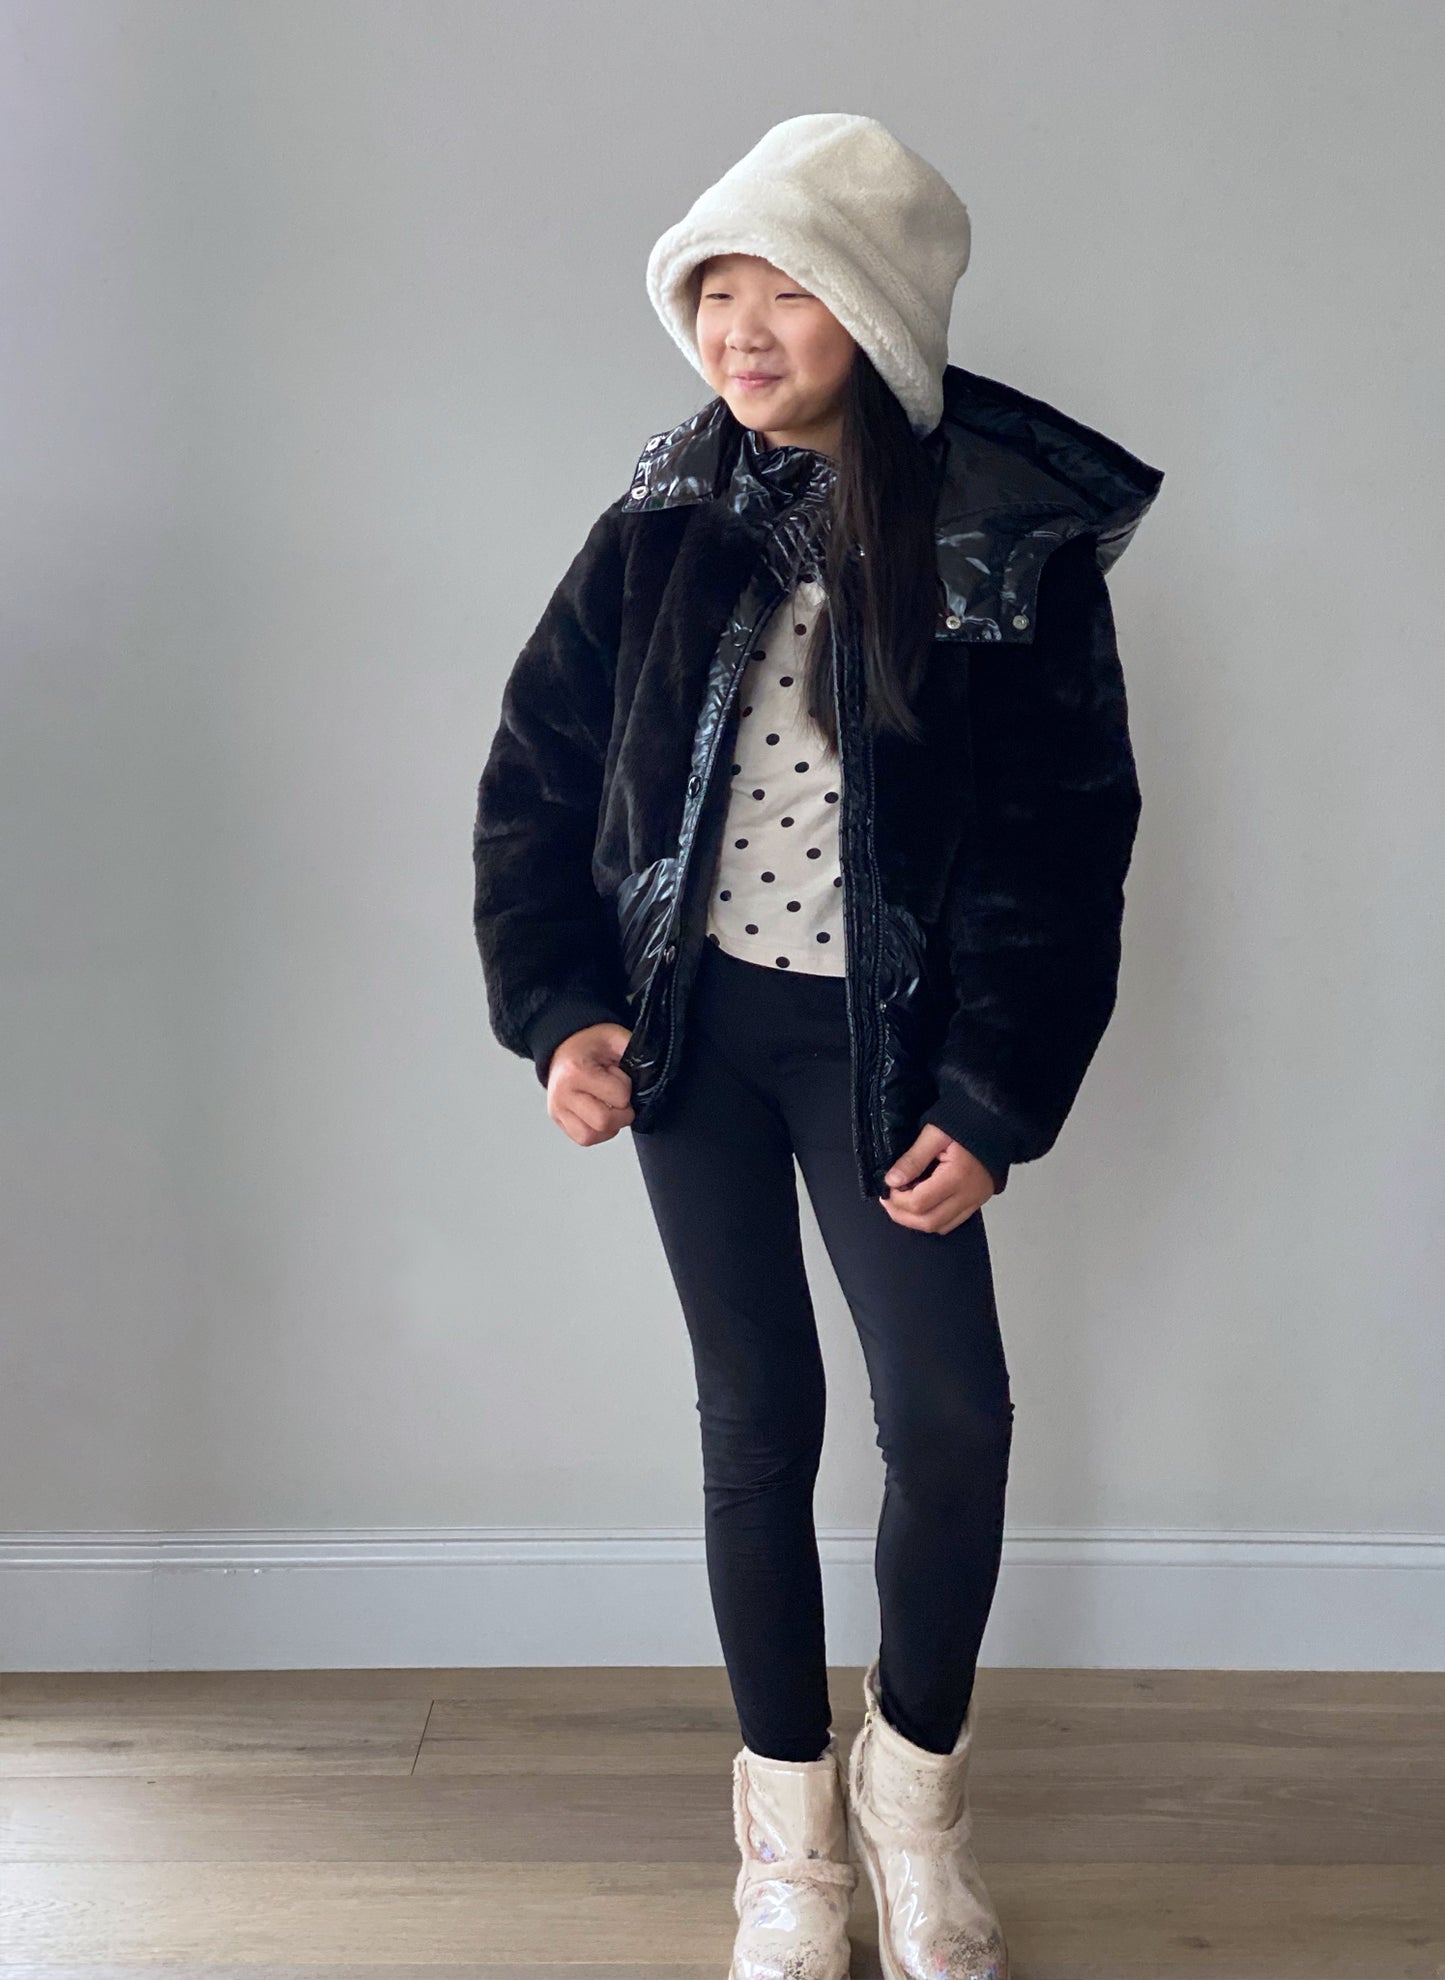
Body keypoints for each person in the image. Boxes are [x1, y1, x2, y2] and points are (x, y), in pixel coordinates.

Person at [472, 112, 1163, 1980]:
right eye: (713, 291)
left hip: (890, 1055)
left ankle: (912, 1808)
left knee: (949, 1423)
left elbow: (1063, 841)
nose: (739, 329)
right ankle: (788, 1848)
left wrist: (991, 1093)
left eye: (784, 290)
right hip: (694, 1042)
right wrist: (561, 1011)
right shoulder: (656, 516)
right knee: (754, 1421)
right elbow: (537, 779)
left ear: (874, 310)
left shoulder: (1003, 540)